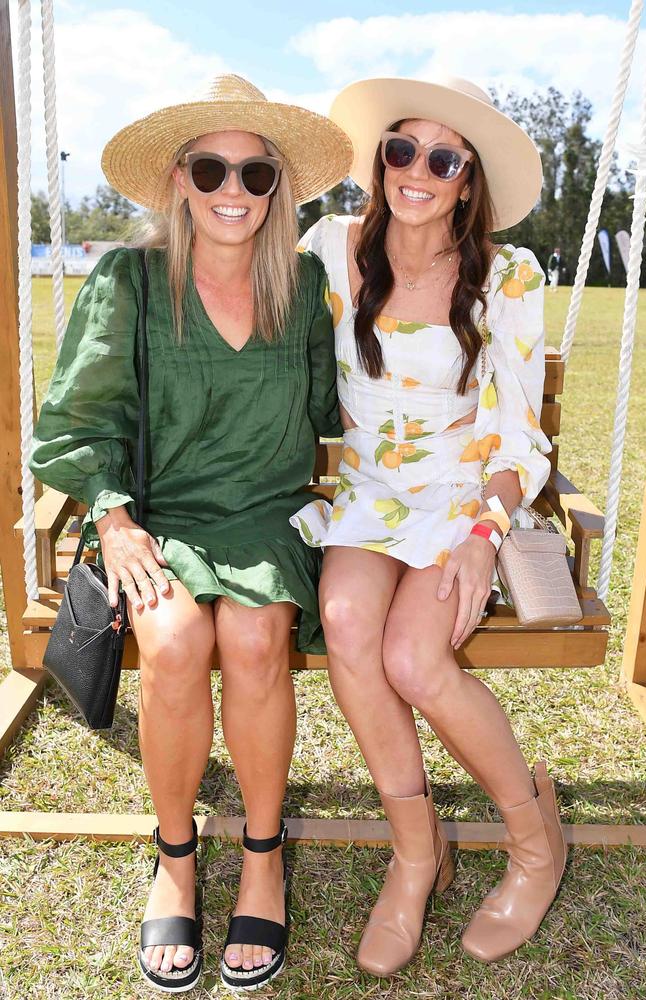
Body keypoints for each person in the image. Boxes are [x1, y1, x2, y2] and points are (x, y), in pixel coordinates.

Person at [30, 74, 352, 994]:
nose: (233, 191)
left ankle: (260, 852)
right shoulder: (129, 280)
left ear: (279, 187)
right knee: (173, 643)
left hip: (263, 515)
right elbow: (75, 425)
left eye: (256, 174)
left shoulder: (306, 279)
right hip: (155, 516)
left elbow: (335, 405)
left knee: (255, 637)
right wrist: (115, 518)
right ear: (178, 177)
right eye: (212, 167)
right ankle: (175, 855)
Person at [292, 75, 566, 975]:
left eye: (442, 157)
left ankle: (535, 845)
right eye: (402, 148)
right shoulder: (332, 247)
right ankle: (419, 855)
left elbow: (522, 434)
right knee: (344, 627)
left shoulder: (508, 274)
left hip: (459, 504)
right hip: (368, 495)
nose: (418, 169)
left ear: (466, 178)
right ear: (381, 161)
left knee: (413, 658)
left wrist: (485, 536)